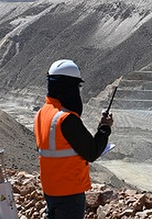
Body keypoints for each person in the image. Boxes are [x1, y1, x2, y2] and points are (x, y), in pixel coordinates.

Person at [33, 59, 114, 219]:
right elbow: (91, 152)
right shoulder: (67, 119)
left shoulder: (42, 113)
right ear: (69, 87)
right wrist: (105, 128)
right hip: (69, 191)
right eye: (76, 87)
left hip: (50, 188)